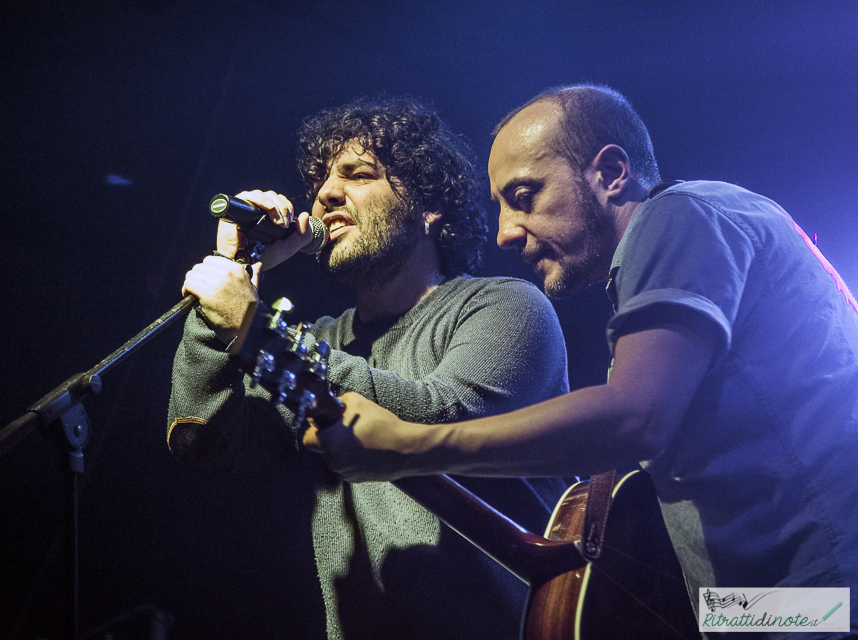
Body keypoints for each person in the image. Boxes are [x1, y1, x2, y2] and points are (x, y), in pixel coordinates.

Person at [303, 85, 858, 638]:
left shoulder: (681, 216)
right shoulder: (690, 241)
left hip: (831, 592)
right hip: (784, 606)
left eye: (524, 195)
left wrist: (407, 446)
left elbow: (633, 417)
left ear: (612, 173)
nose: (504, 232)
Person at [168, 97, 572, 639]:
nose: (326, 193)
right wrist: (230, 283)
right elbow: (203, 440)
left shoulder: (504, 306)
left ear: (427, 205)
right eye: (320, 181)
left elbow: (436, 420)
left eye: (358, 174)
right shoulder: (321, 341)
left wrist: (256, 329)